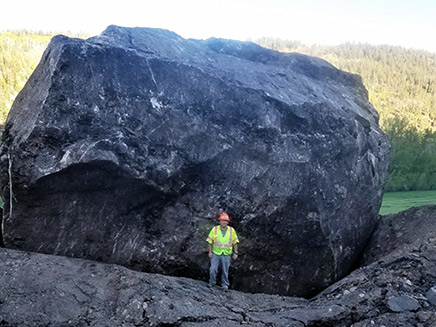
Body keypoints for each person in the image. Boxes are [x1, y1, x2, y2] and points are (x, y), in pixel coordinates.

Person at [206, 212, 239, 292]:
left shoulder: (231, 230)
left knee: (225, 270)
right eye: (222, 220)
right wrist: (210, 252)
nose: (224, 222)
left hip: (226, 254)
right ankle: (212, 282)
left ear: (227, 222)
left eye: (225, 221)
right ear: (220, 221)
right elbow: (210, 241)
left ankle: (225, 285)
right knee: (213, 269)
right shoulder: (215, 229)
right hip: (216, 253)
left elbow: (235, 242)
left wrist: (235, 253)